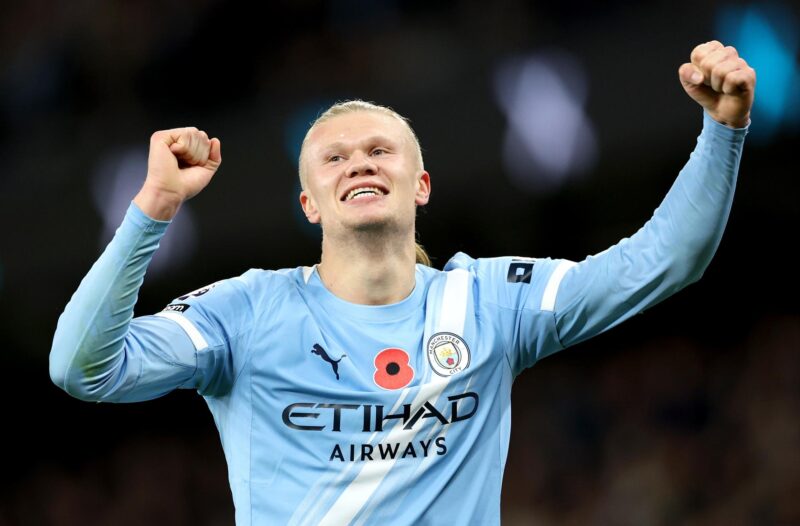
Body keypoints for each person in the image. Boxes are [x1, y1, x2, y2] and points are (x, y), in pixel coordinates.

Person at [50, 41, 755, 524]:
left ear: (418, 185)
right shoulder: (247, 312)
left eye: (379, 150)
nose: (358, 163)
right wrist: (154, 209)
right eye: (333, 158)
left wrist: (722, 130)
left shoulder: (488, 303)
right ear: (310, 205)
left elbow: (663, 260)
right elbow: (83, 366)